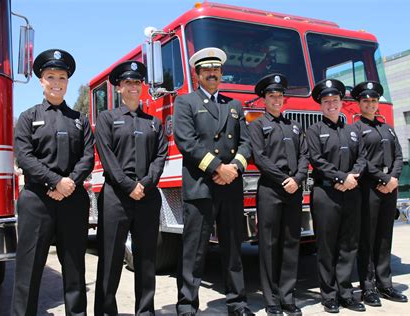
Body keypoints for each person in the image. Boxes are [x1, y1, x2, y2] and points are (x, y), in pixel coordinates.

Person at [13, 49, 95, 316]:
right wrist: (55, 182)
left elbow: (87, 157)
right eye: (51, 77)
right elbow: (25, 157)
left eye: (62, 77)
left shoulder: (79, 120)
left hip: (73, 201)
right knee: (29, 270)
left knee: (74, 270)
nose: (56, 82)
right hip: (37, 201)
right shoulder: (28, 117)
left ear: (68, 81)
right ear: (41, 80)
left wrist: (69, 182)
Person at [173, 47, 253, 316]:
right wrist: (219, 168)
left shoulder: (234, 105)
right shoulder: (185, 103)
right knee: (194, 251)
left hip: (230, 186)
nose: (212, 74)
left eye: (216, 70)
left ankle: (237, 303)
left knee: (233, 249)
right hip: (201, 186)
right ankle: (186, 306)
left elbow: (246, 143)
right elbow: (186, 142)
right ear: (197, 74)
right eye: (206, 70)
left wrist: (234, 168)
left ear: (221, 73)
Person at [93, 60, 168, 316]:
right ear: (118, 88)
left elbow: (160, 157)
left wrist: (145, 184)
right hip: (116, 197)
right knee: (111, 260)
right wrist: (128, 186)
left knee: (147, 260)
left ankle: (145, 311)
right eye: (128, 83)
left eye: (137, 82)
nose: (133, 87)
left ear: (142, 87)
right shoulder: (106, 119)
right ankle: (105, 311)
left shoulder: (154, 123)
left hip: (147, 197)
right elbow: (107, 157)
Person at [248, 74, 308, 316]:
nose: (276, 99)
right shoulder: (257, 125)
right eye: (272, 96)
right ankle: (271, 300)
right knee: (269, 245)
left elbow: (305, 155)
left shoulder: (293, 125)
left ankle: (288, 296)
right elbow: (259, 157)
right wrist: (284, 179)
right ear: (264, 99)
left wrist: (298, 179)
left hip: (293, 190)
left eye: (280, 96)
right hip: (271, 190)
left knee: (291, 244)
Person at [306, 79, 367, 313]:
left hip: (352, 192)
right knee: (327, 246)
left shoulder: (352, 131)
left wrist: (352, 176)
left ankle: (346, 293)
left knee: (348, 245)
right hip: (326, 193)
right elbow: (316, 161)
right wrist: (342, 178)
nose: (331, 104)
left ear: (341, 103)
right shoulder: (314, 130)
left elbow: (362, 158)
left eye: (335, 100)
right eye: (326, 101)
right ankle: (329, 295)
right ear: (320, 105)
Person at [352, 81, 408, 306]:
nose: (370, 104)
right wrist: (385, 179)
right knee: (367, 238)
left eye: (374, 101)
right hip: (369, 188)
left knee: (384, 238)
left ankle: (385, 284)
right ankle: (367, 287)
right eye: (366, 101)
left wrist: (394, 178)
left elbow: (398, 155)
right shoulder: (356, 130)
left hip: (389, 189)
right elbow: (362, 160)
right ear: (359, 104)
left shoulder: (387, 129)